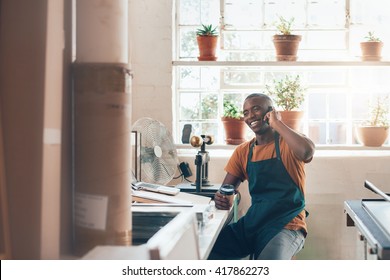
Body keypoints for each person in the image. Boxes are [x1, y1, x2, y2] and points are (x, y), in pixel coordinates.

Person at [209, 93, 315, 260]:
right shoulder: (243, 151)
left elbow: (307, 151)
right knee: (206, 250)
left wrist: (277, 123)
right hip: (254, 223)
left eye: (256, 109)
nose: (250, 116)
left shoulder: (289, 142)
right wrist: (222, 197)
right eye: (245, 112)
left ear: (271, 112)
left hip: (287, 225)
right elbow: (226, 189)